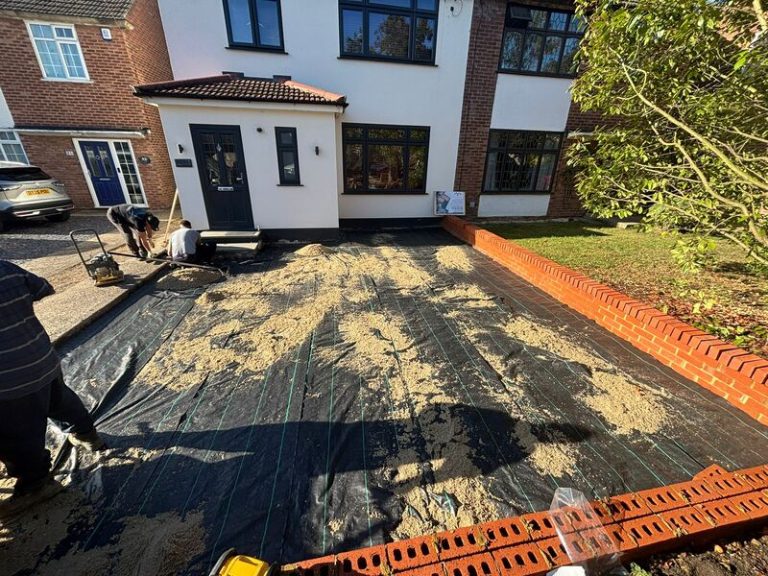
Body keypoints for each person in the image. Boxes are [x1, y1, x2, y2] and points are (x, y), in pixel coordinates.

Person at [0, 260, 106, 498]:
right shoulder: (6, 269)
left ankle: (35, 483)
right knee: (61, 402)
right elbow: (44, 288)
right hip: (42, 358)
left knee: (17, 437)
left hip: (7, 383)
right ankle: (87, 436)